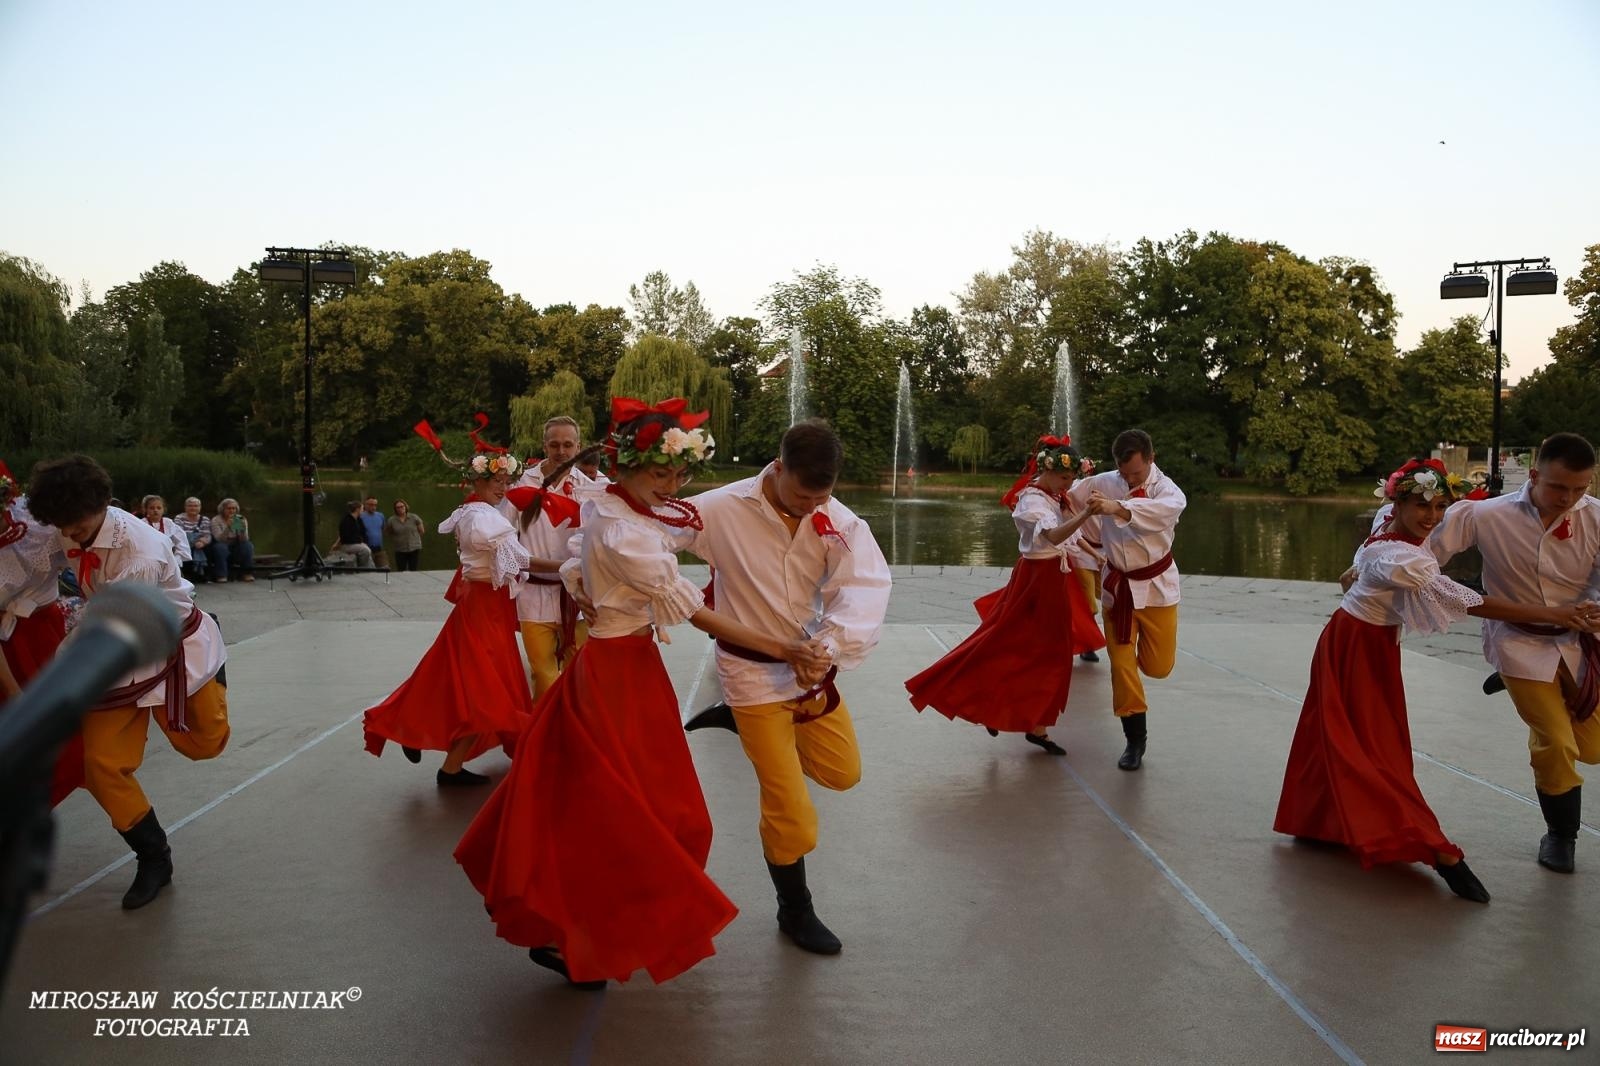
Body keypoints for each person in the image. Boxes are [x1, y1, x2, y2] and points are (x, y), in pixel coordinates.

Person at [455, 398, 829, 989]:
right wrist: (782, 648)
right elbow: (695, 611)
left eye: (680, 474)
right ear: (629, 465)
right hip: (618, 676)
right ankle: (587, 938)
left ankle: (583, 936)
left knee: (615, 812)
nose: (673, 485)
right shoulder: (625, 530)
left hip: (616, 666)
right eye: (663, 474)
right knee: (647, 816)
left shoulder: (608, 505)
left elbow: (602, 558)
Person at [1275, 458, 1593, 902]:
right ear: (1398, 503)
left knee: (1348, 738)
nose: (1431, 516)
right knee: (1364, 747)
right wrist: (1551, 614)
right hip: (1353, 647)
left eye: (1440, 505)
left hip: (1369, 644)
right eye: (1421, 505)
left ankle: (1320, 820)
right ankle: (1437, 850)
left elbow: (1371, 548)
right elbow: (1469, 601)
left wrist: (1355, 567)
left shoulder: (1391, 529)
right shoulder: (1399, 556)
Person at [682, 419, 892, 955]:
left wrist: (826, 648)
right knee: (791, 812)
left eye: (820, 496)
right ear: (777, 469)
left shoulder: (837, 519)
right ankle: (794, 910)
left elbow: (865, 586)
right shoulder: (719, 509)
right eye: (801, 494)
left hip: (807, 669)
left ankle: (736, 723)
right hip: (750, 676)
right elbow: (651, 536)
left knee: (844, 774)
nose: (809, 507)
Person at [26, 454, 230, 910]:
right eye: (62, 525)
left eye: (76, 525)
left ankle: (217, 658)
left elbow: (110, 623)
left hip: (161, 641)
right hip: (119, 659)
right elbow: (31, 560)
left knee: (204, 744)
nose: (69, 534)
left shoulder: (137, 551)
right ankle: (153, 855)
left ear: (100, 504)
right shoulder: (68, 522)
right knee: (101, 764)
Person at [1429, 433, 1600, 874]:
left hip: (1580, 645)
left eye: (1581, 489)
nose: (1570, 498)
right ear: (1535, 474)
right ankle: (1562, 834)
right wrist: (1369, 559)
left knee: (1593, 748)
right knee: (1556, 741)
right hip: (1518, 643)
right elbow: (1420, 550)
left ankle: (1522, 692)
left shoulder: (1598, 519)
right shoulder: (1485, 515)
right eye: (1559, 487)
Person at [907, 435, 1105, 757]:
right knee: (1013, 644)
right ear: (1048, 470)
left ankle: (1035, 725)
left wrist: (1094, 555)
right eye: (1065, 479)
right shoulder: (1032, 501)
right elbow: (1053, 534)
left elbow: (1069, 532)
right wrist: (1086, 516)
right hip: (1036, 578)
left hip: (1052, 576)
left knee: (1046, 651)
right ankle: (995, 707)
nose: (1068, 485)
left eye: (1071, 479)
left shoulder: (1052, 496)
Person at [362, 444, 532, 785]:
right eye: (494, 480)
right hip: (483, 610)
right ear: (475, 481)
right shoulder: (483, 518)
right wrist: (560, 568)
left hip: (483, 607)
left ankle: (434, 752)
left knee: (453, 680)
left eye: (505, 480)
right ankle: (440, 759)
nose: (502, 487)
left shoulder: (475, 512)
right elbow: (513, 561)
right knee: (486, 692)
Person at [1068, 428, 1186, 771]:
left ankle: (1137, 676)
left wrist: (1118, 508)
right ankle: (1135, 740)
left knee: (1158, 667)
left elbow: (1161, 515)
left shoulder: (1168, 491)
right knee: (1121, 667)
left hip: (1157, 589)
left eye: (1135, 471)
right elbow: (1068, 499)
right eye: (1123, 472)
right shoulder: (1103, 483)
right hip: (1117, 589)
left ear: (1151, 458)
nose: (1128, 477)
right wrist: (1039, 495)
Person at [0, 459, 81, 807]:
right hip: (7, 653)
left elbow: (87, 564)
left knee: (71, 741)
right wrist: (16, 692)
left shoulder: (39, 527)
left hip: (46, 636)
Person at [504, 415, 590, 699]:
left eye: (568, 445)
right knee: (543, 672)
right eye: (555, 444)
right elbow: (503, 538)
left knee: (577, 671)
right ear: (545, 445)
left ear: (579, 447)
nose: (561, 451)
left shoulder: (590, 489)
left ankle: (571, 732)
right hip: (533, 594)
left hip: (577, 597)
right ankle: (544, 734)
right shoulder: (521, 484)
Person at [207, 498, 254, 582]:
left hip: (236, 545)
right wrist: (228, 527)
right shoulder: (216, 520)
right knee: (220, 547)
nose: (231, 511)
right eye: (229, 508)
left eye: (234, 508)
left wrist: (242, 530)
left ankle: (247, 573)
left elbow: (243, 540)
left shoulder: (239, 519)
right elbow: (219, 539)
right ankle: (221, 575)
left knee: (248, 545)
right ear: (223, 509)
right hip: (222, 544)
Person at [139, 495, 191, 567]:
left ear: (163, 510)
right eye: (151, 508)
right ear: (146, 510)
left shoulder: (169, 524)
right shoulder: (141, 524)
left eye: (159, 508)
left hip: (168, 561)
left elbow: (181, 541)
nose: (155, 510)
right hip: (148, 561)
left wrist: (176, 558)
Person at [172, 497, 212, 583]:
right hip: (184, 543)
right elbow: (178, 534)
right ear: (185, 507)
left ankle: (201, 575)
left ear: (200, 507)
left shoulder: (205, 520)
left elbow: (207, 535)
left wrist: (202, 542)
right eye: (190, 506)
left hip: (199, 544)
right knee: (183, 550)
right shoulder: (179, 518)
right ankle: (185, 576)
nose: (193, 508)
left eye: (195, 506)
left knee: (209, 548)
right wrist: (191, 542)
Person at [330, 500, 375, 568]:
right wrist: (359, 541)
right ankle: (362, 568)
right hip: (347, 545)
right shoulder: (346, 520)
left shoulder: (358, 519)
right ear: (357, 509)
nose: (363, 511)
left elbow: (363, 532)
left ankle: (373, 569)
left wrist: (363, 542)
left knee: (368, 551)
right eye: (362, 508)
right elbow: (346, 537)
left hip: (355, 543)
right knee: (366, 550)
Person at [385, 499, 425, 572]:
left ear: (405, 507)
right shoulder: (391, 520)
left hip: (414, 547)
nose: (400, 508)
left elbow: (421, 531)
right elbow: (388, 532)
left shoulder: (414, 517)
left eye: (402, 506)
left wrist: (414, 538)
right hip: (400, 548)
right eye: (398, 507)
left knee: (413, 570)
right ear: (395, 509)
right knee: (401, 570)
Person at [359, 496, 388, 569]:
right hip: (366, 549)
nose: (373, 507)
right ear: (365, 505)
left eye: (375, 505)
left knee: (385, 569)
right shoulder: (360, 517)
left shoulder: (380, 515)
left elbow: (383, 529)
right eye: (371, 505)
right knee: (368, 570)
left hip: (379, 548)